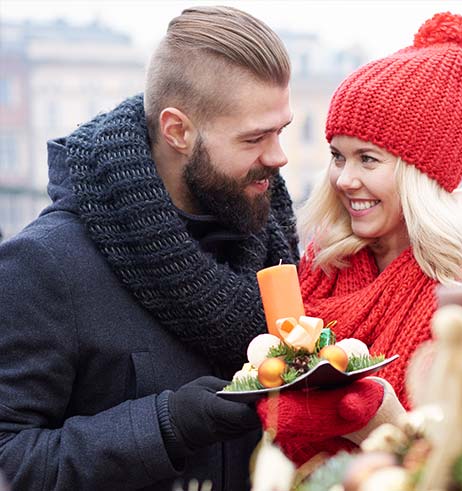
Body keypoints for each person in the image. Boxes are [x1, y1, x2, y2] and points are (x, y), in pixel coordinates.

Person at [0, 7, 298, 490]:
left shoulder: (275, 242)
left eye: (281, 130)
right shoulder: (44, 264)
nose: (279, 156)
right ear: (177, 131)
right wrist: (166, 425)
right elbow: (9, 461)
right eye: (254, 138)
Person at [259, 12, 462, 464]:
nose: (344, 179)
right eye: (337, 156)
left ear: (421, 175)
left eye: (368, 159)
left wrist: (377, 415)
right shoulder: (319, 273)